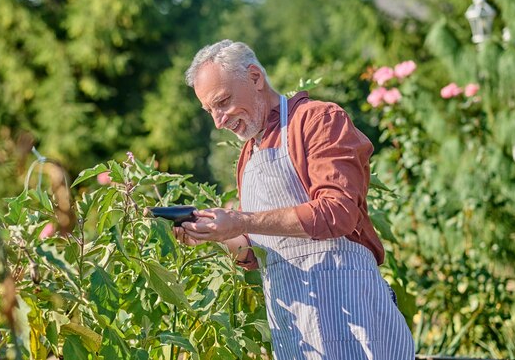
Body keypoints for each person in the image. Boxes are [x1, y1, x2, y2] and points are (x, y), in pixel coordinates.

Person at [174, 40, 415, 359]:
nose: (219, 121)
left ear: (256, 77)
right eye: (210, 111)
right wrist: (213, 235)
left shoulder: (317, 120)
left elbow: (336, 213)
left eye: (223, 102)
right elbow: (257, 249)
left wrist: (241, 220)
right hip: (296, 329)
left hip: (352, 311)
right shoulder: (248, 155)